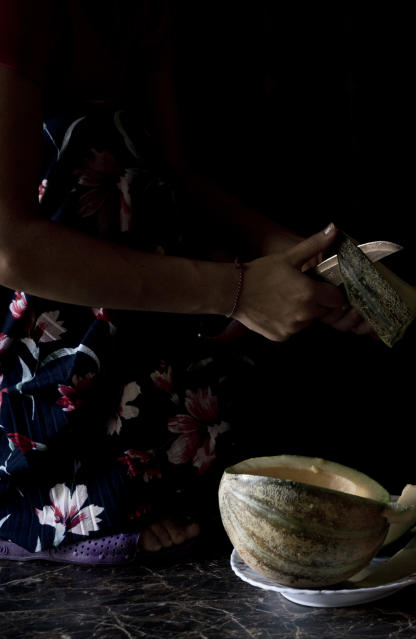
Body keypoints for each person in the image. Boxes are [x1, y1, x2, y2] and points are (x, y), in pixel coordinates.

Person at [0, 1, 372, 562]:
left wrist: (311, 259)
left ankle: (127, 480)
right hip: (38, 319)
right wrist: (240, 291)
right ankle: (42, 504)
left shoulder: (145, 13)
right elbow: (9, 247)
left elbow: (176, 174)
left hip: (142, 294)